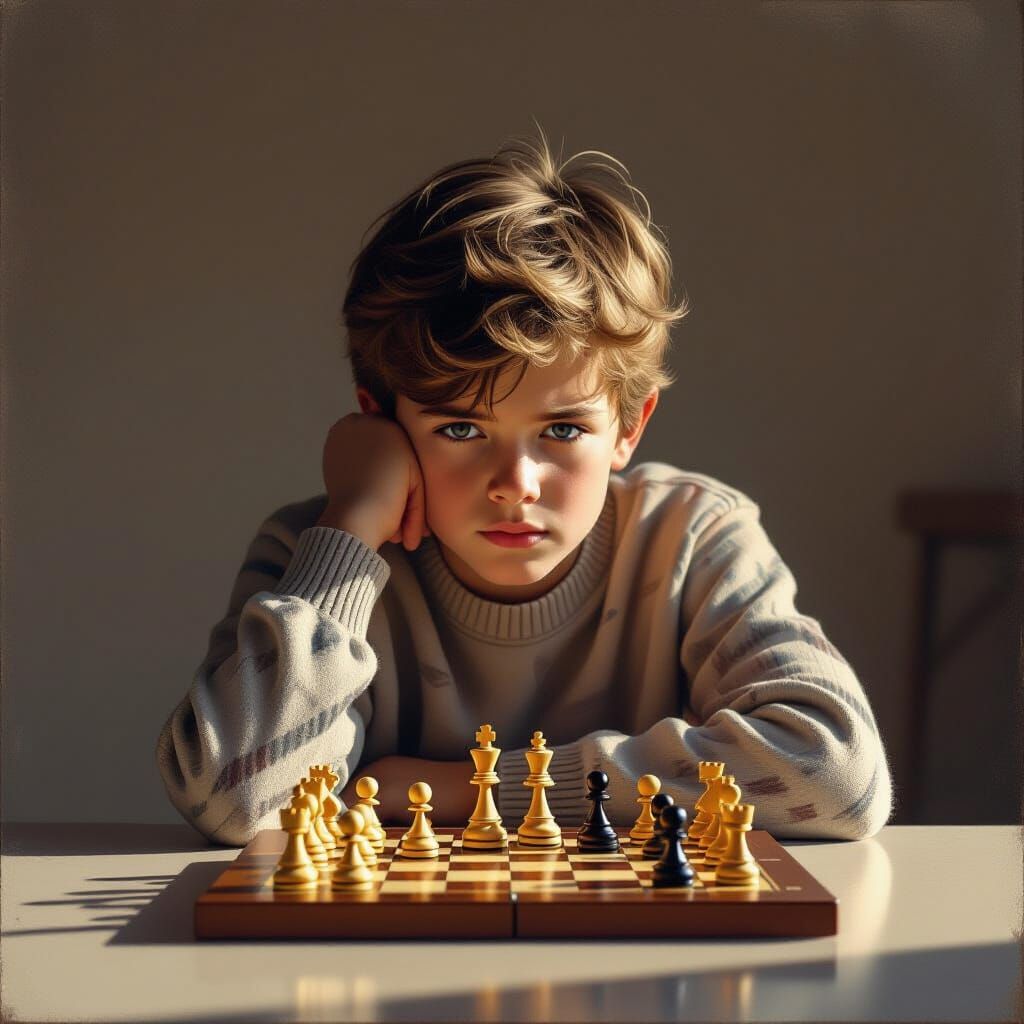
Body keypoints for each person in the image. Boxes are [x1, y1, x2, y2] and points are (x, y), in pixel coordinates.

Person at [156, 132, 893, 846]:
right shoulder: (315, 558)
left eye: (563, 431)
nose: (514, 486)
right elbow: (235, 802)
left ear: (630, 427)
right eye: (460, 431)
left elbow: (837, 775)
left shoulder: (692, 537)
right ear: (380, 420)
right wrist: (349, 534)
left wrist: (469, 790)